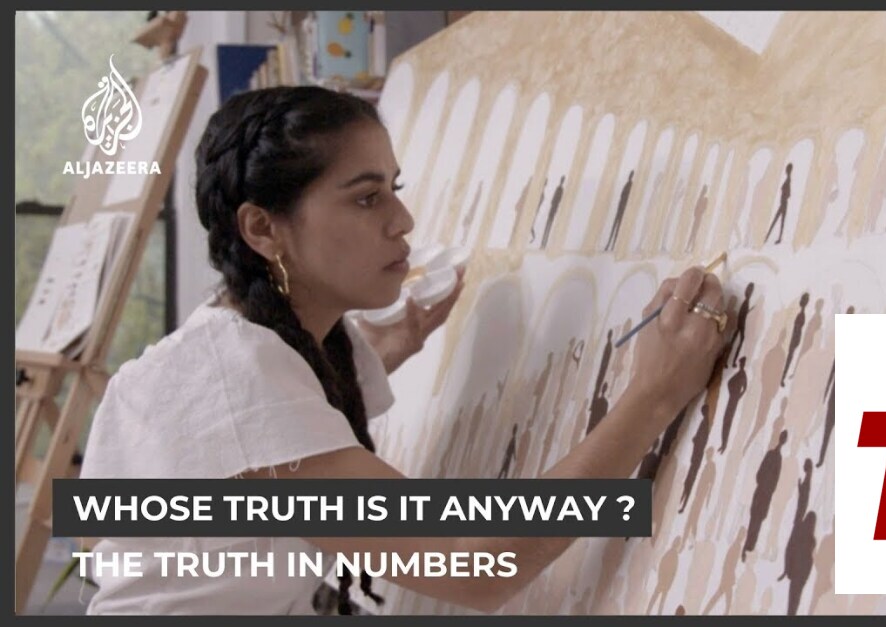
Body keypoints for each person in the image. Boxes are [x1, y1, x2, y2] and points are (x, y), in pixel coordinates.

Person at [78, 86, 731, 615]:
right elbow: (475, 565)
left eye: (395, 187)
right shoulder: (239, 380)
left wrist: (384, 349)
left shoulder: (230, 349)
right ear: (262, 228)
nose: (403, 220)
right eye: (367, 197)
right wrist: (653, 396)